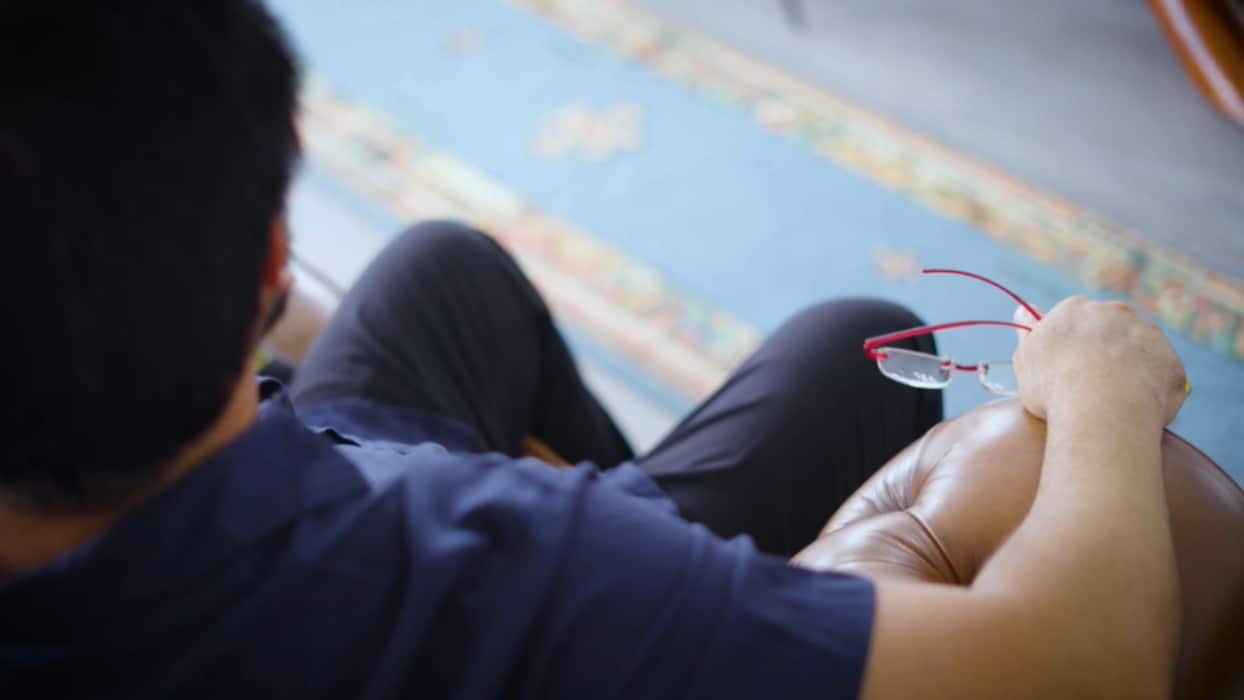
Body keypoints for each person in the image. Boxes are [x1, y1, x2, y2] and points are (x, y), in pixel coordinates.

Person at [0, 2, 1188, 698]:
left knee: (441, 267)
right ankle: (688, 560)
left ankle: (676, 538)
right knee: (862, 343)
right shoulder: (487, 569)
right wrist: (1101, 394)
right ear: (271, 264)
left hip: (277, 473)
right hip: (406, 559)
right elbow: (1080, 664)